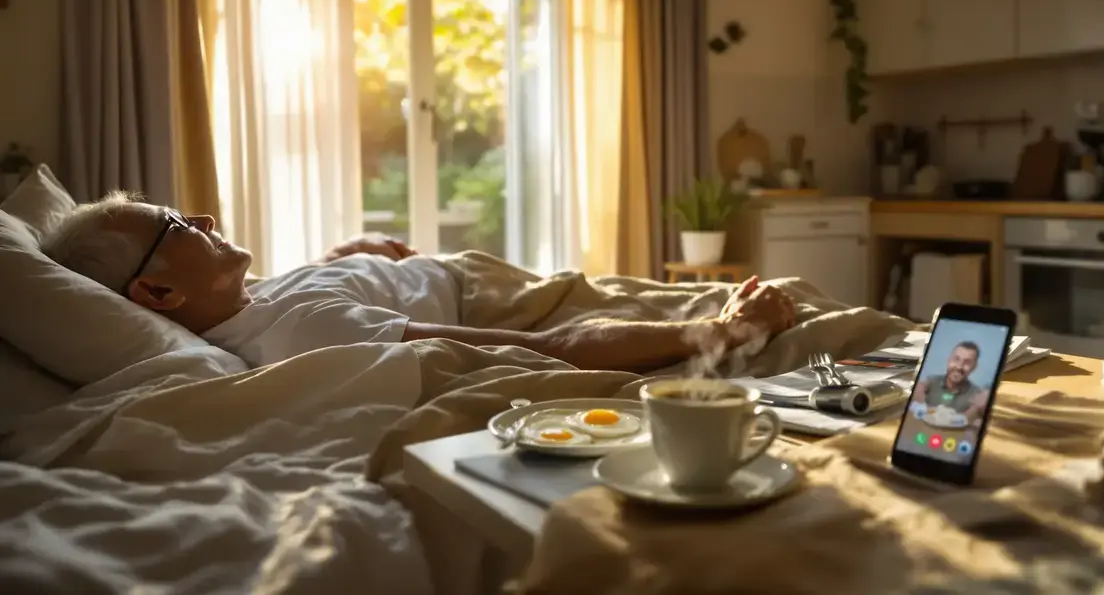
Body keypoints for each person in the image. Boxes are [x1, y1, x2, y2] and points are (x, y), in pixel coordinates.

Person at [41, 192, 796, 372]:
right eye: (180, 227)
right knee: (789, 297)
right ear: (159, 295)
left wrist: (347, 257)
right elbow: (550, 345)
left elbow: (302, 290)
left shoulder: (244, 303)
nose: (203, 215)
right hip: (484, 290)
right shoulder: (304, 336)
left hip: (419, 270)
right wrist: (728, 329)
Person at [911, 341, 988, 421]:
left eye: (967, 363)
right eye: (956, 359)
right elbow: (918, 389)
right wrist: (918, 398)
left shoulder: (977, 394)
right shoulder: (932, 382)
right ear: (949, 360)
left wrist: (977, 408)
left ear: (974, 367)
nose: (959, 366)